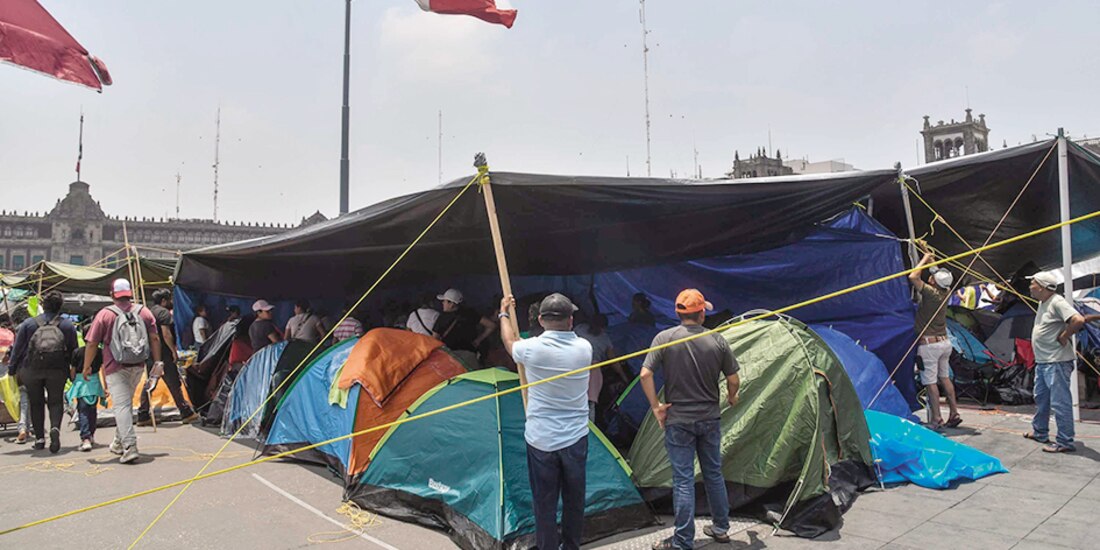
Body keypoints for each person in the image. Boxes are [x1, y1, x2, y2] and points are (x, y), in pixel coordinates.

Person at [640, 289, 739, 549]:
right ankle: (721, 528)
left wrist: (656, 407)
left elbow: (645, 374)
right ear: (702, 312)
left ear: (678, 313)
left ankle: (683, 541)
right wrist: (732, 397)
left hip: (678, 419)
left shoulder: (664, 338)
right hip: (709, 417)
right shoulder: (716, 339)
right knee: (713, 473)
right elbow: (733, 378)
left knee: (683, 480)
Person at [500, 293, 592, 550]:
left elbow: (509, 341)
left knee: (544, 503)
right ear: (571, 320)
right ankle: (571, 546)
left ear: (540, 319)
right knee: (574, 500)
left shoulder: (531, 349)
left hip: (541, 439)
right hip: (575, 438)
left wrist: (503, 313)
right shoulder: (585, 348)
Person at [84, 278, 162, 464]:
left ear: (112, 295)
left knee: (122, 406)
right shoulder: (144, 311)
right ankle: (119, 443)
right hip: (138, 365)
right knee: (125, 404)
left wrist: (86, 366)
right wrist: (158, 362)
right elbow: (155, 338)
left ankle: (129, 446)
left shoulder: (105, 314)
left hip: (115, 367)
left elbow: (92, 343)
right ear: (130, 293)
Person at [8, 290, 79, 453]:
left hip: (31, 369)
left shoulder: (28, 324)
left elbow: (17, 349)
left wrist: (12, 369)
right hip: (57, 370)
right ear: (60, 307)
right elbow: (74, 350)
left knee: (36, 402)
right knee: (55, 401)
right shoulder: (67, 325)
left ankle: (40, 438)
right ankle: (55, 428)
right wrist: (73, 370)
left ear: (43, 306)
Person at [1024, 272, 1086, 453]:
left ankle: (1065, 441)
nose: (1030, 287)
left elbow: (1078, 319)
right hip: (1045, 361)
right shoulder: (1044, 302)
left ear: (1042, 287)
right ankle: (1040, 432)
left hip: (1056, 361)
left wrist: (1065, 336)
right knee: (1041, 399)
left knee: (1060, 402)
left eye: (1033, 283)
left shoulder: (1057, 302)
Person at [909, 250, 962, 429]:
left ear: (933, 282)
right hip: (945, 342)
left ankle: (936, 418)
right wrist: (931, 259)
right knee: (945, 378)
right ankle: (954, 412)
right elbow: (938, 275)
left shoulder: (931, 293)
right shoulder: (946, 291)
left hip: (929, 345)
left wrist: (924, 258)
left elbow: (913, 276)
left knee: (930, 381)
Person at [137, 289, 198, 426]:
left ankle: (143, 414)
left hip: (149, 354)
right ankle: (185, 412)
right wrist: (173, 351)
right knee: (173, 382)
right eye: (169, 300)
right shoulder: (163, 313)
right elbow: (166, 334)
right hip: (163, 354)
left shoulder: (147, 313)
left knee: (150, 383)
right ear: (164, 300)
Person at [575, 313, 628, 422]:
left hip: (580, 366)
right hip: (588, 369)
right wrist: (624, 378)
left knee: (581, 399)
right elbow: (614, 361)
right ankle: (588, 426)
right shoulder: (603, 338)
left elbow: (614, 361)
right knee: (589, 403)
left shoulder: (580, 329)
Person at [69, 323, 104, 452]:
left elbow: (72, 370)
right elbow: (103, 369)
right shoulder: (100, 352)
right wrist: (105, 386)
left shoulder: (77, 352)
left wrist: (73, 381)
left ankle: (85, 438)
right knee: (92, 410)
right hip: (95, 383)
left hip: (81, 384)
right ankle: (91, 435)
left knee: (82, 411)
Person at [432, 289, 485, 353]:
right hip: (469, 353)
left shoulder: (443, 318)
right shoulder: (470, 313)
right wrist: (478, 340)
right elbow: (492, 325)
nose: (442, 303)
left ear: (451, 304)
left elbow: (434, 339)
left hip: (450, 355)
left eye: (444, 301)